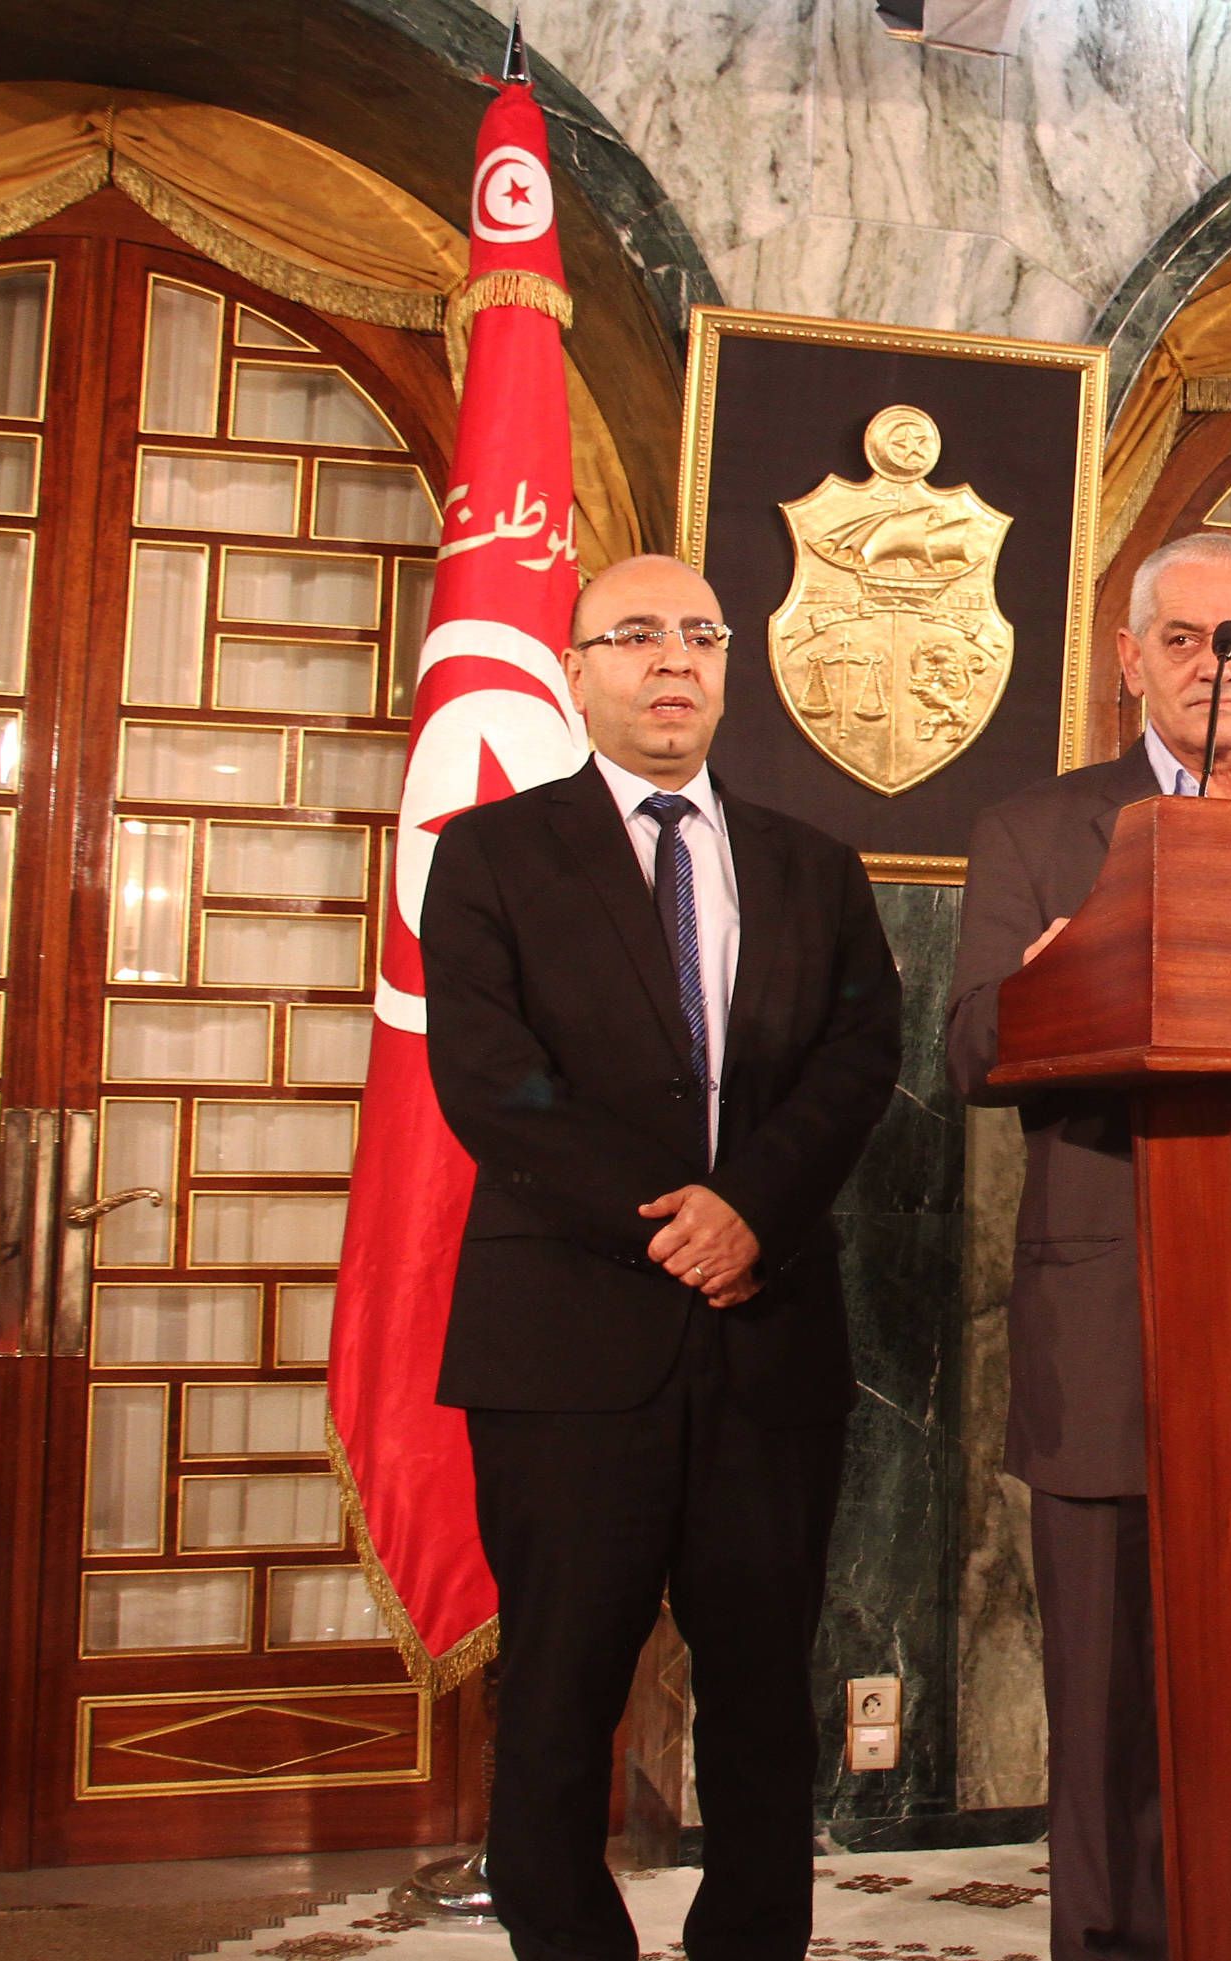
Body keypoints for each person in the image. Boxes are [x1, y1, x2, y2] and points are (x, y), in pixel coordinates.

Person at [421, 554, 903, 1961]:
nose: (673, 657)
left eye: (700, 632)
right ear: (576, 672)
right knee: (561, 1692)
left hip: (766, 1340)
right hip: (568, 1346)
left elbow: (858, 1057)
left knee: (761, 1697)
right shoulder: (492, 855)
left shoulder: (814, 864)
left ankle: (750, 1941)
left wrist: (751, 1208)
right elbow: (492, 1084)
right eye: (634, 635)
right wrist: (680, 1226)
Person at [946, 531, 1231, 1958]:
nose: (1217, 666)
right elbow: (968, 1050)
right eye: (1185, 640)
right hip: (1110, 1309)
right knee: (1111, 1686)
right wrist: (1058, 981)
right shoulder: (1037, 829)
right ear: (1128, 661)